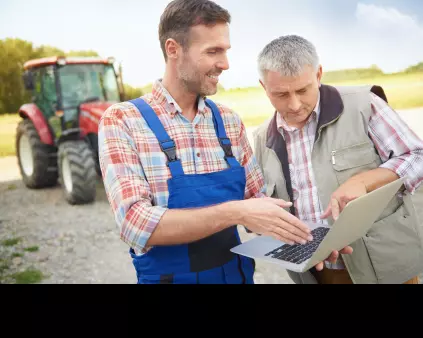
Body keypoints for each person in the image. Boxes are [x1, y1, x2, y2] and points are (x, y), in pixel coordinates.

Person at [98, 0, 350, 284]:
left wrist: (308, 240)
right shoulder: (123, 121)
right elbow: (135, 224)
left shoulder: (228, 122)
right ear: (173, 49)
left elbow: (258, 204)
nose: (225, 64)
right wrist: (235, 212)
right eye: (213, 51)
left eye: (225, 51)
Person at [253, 34, 423, 284]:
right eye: (281, 94)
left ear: (319, 74)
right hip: (318, 274)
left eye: (302, 90)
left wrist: (365, 181)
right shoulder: (260, 138)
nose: (295, 104)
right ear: (263, 87)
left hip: (386, 268)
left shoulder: (364, 105)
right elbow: (260, 206)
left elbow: (417, 156)